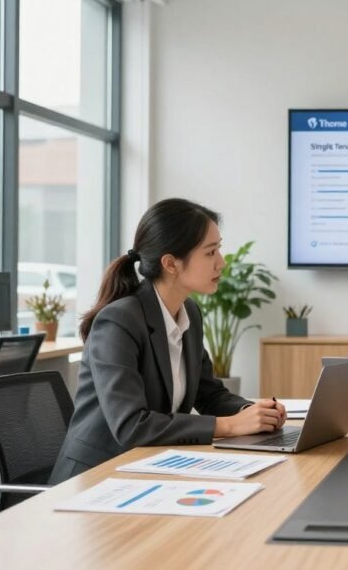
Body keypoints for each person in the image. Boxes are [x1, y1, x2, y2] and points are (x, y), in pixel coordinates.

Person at [50, 199, 285, 483]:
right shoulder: (119, 321)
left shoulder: (189, 314)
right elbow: (131, 426)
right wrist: (230, 426)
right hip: (96, 476)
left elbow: (209, 394)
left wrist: (253, 412)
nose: (221, 263)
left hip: (148, 467)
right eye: (211, 252)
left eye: (218, 249)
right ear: (171, 263)